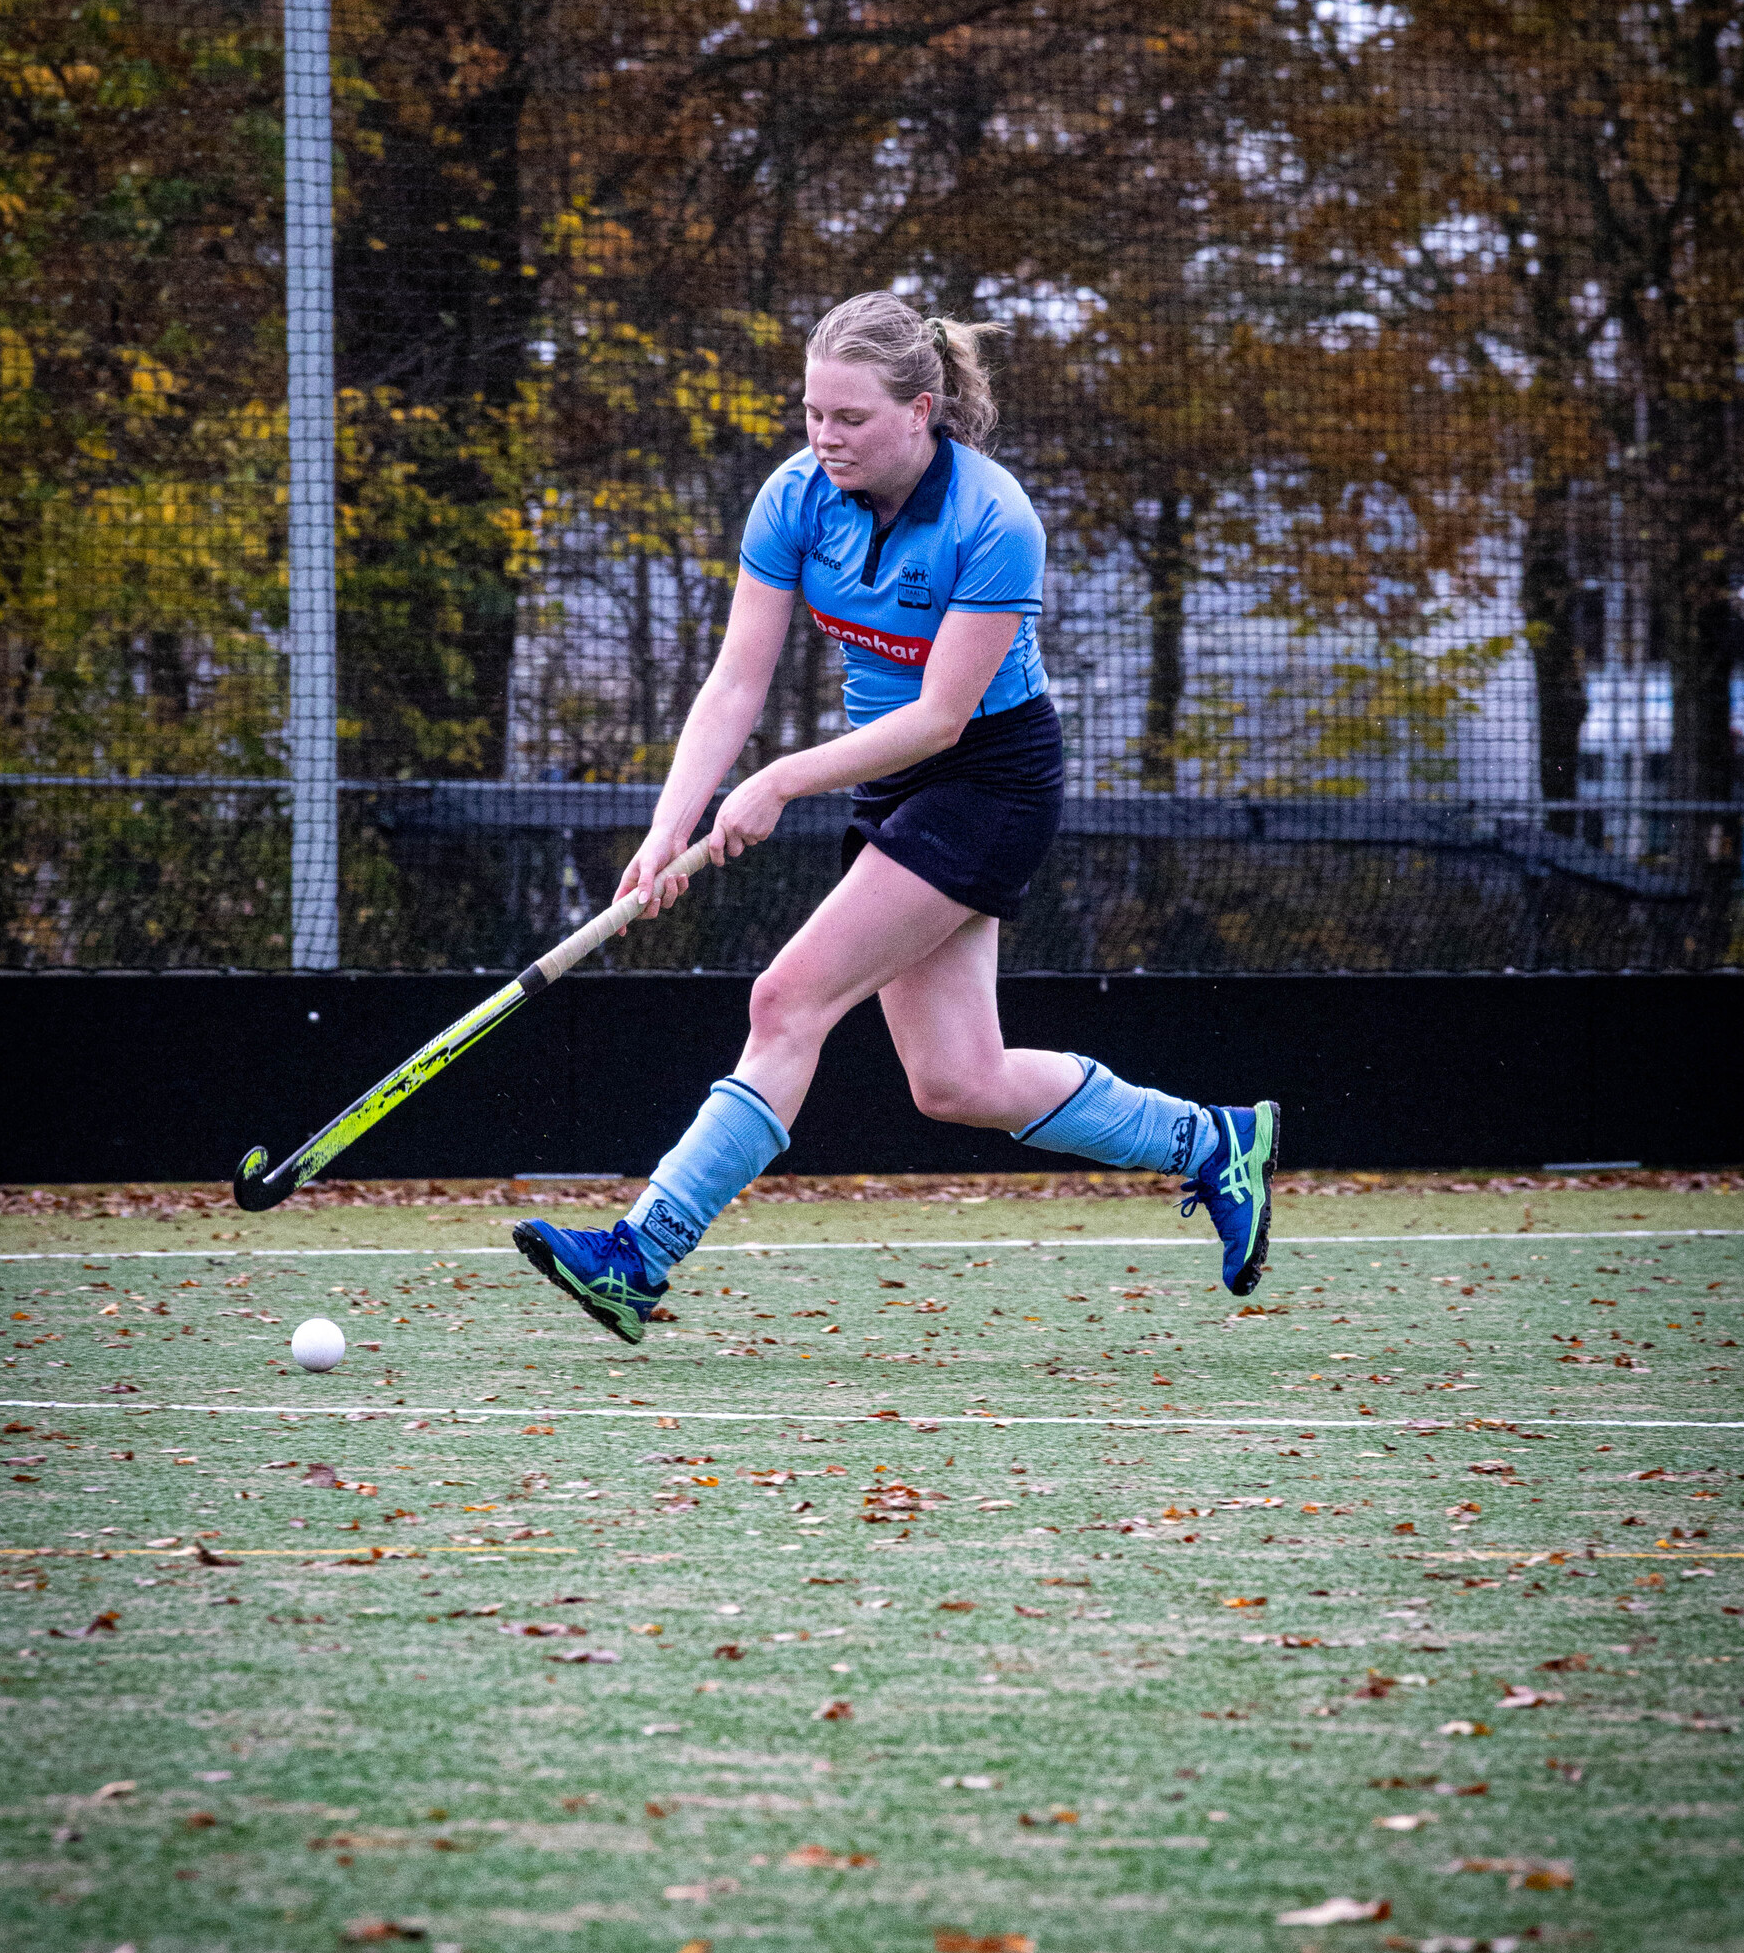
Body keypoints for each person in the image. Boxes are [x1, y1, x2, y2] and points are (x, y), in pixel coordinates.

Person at [513, 291, 1277, 1341]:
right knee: (957, 1080)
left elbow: (939, 716)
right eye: (811, 413)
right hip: (896, 784)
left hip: (986, 779)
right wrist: (665, 827)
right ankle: (1210, 1141)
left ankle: (639, 1252)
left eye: (850, 417)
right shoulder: (793, 499)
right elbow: (736, 678)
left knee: (786, 999)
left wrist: (780, 781)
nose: (824, 437)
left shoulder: (992, 518)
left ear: (920, 409)